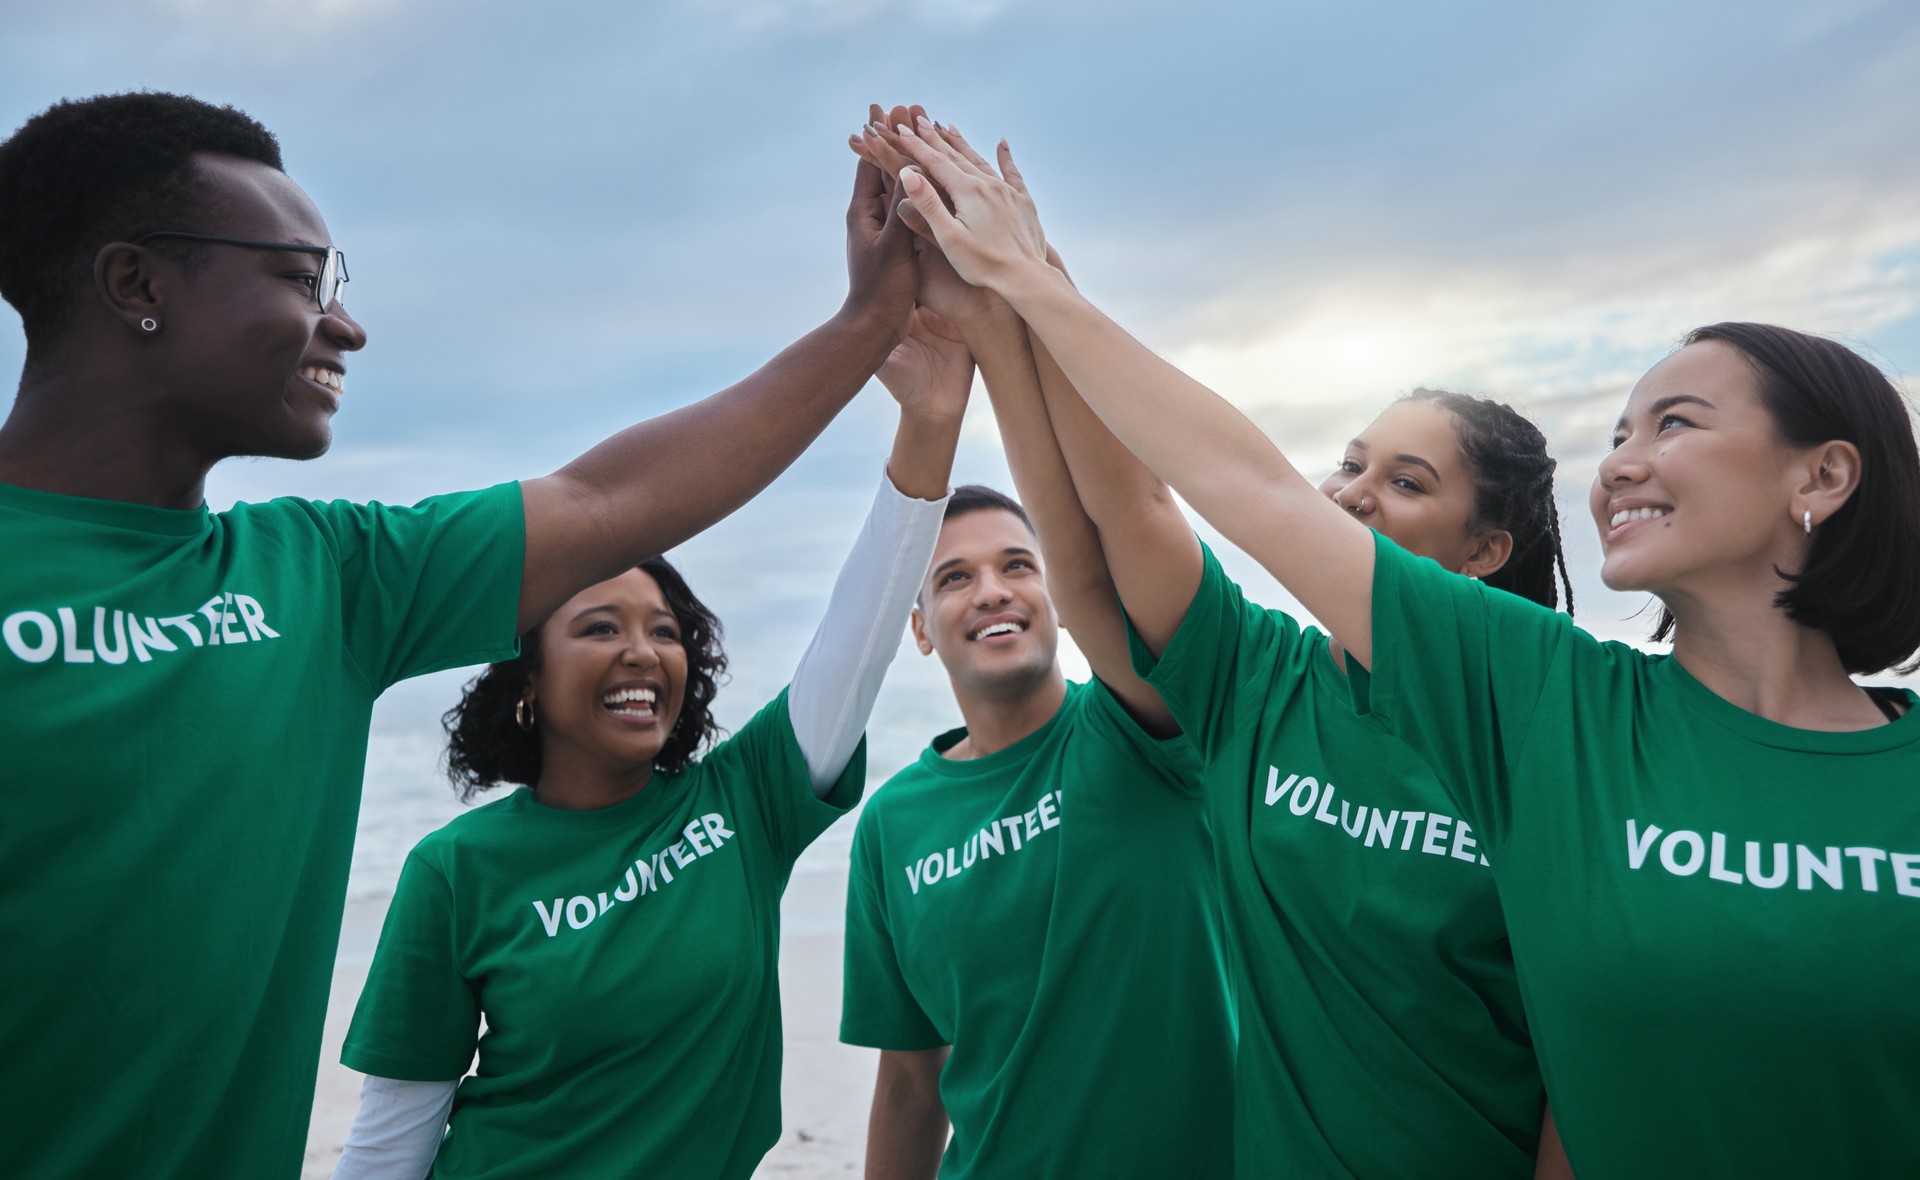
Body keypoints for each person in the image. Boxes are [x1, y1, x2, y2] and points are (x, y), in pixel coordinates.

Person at [883, 117, 1920, 1178]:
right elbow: (1163, 511)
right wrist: (1013, 296)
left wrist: (1025, 286)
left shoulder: (1538, 705)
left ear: (1823, 477)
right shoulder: (1544, 703)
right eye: (1615, 437)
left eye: (1674, 426)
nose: (1618, 469)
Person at [0, 91, 914, 1179]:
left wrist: (872, 320)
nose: (344, 324)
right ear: (137, 284)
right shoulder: (454, 862)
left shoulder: (326, 576)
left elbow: (612, 498)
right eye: (299, 279)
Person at [857, 113, 1574, 1178]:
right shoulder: (1262, 681)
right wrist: (1003, 307)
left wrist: (1028, 282)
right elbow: (1114, 525)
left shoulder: (1545, 726)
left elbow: (1583, 1058)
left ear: (1486, 549)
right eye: (1352, 463)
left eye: (1409, 482)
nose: (1353, 496)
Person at [331, 302, 967, 1178]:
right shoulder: (457, 869)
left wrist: (929, 420)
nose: (641, 650)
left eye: (664, 630)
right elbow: (394, 1130)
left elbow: (856, 637)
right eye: (598, 627)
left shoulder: (747, 804)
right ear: (528, 683)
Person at [839, 113, 1234, 1175]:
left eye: (1018, 563)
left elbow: (1118, 508)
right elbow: (912, 1080)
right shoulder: (895, 824)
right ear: (919, 628)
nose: (994, 590)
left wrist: (1011, 294)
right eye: (954, 577)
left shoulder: (1151, 728)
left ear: (1057, 591)